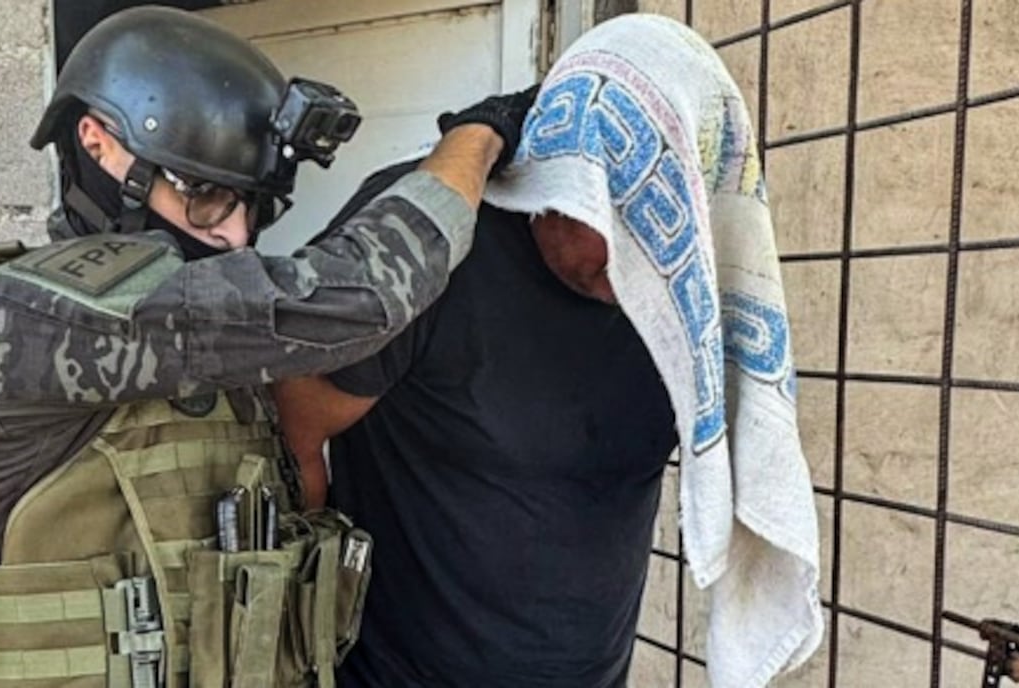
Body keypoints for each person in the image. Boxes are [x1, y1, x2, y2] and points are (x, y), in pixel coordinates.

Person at [0, 7, 536, 688]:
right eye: (205, 196)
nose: (235, 234)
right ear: (98, 144)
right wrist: (476, 137)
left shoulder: (193, 324)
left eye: (254, 204)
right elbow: (361, 296)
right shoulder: (27, 317)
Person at [275, 13, 821, 688]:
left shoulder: (682, 287)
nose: (630, 260)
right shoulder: (423, 246)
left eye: (652, 229)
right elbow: (291, 435)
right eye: (607, 216)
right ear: (557, 175)